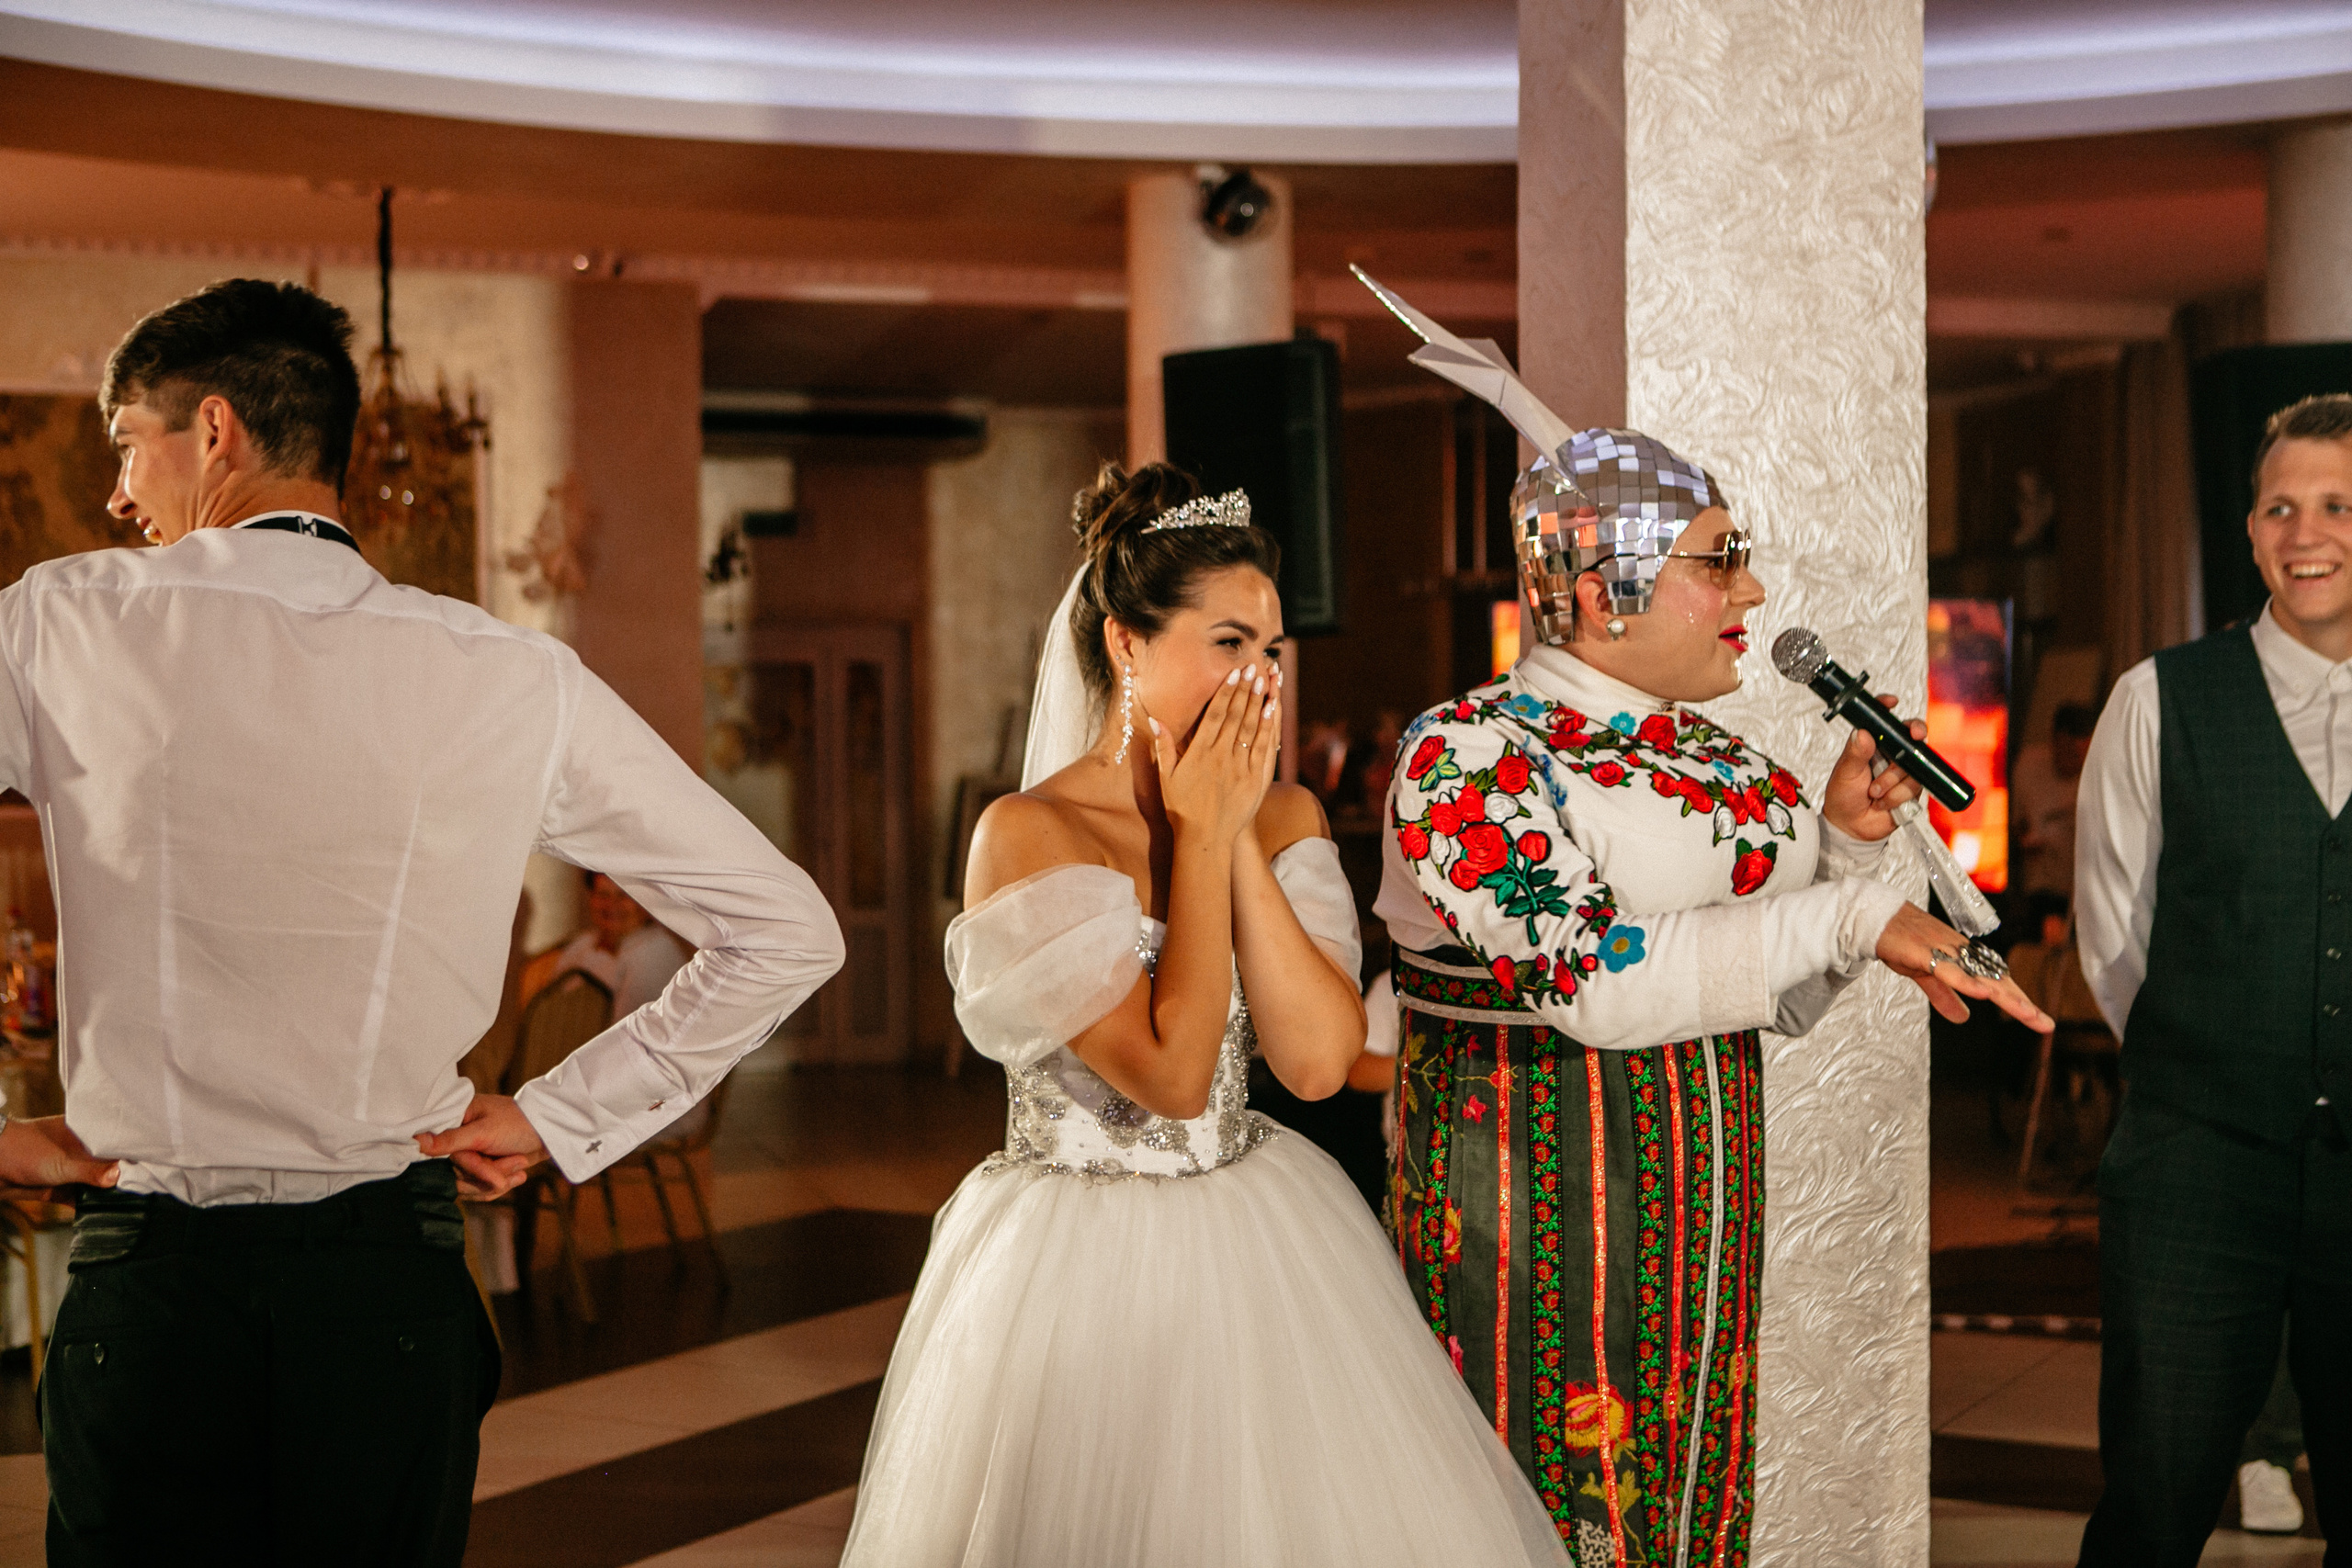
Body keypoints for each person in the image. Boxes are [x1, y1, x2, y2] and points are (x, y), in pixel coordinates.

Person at [9, 278, 842, 1566]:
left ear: (214, 430)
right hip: (381, 1283)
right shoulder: (507, 675)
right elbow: (786, 926)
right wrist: (560, 1114)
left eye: (128, 439)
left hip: (154, 1280)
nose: (120, 491)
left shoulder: (59, 622)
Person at [1355, 276, 2052, 1563]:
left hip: (1698, 1217)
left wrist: (1838, 839)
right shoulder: (1468, 754)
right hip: (1527, 1222)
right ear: (1604, 594)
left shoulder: (1718, 762)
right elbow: (1602, 981)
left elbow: (1771, 990)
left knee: (1688, 1505)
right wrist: (1853, 913)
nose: (1754, 586)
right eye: (1718, 559)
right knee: (1521, 1512)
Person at [839, 465, 1571, 1567]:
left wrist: (1224, 835)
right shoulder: (1028, 834)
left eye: (1271, 650)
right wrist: (1196, 829)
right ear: (1128, 643)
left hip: (1265, 1241)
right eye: (1228, 643)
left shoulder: (1280, 815)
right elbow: (1173, 1074)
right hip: (1072, 1267)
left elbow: (1320, 1061)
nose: (1261, 679)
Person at [2075, 391, 2352, 1567]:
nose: (2306, 533)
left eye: (2338, 504)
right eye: (2279, 507)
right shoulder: (2157, 699)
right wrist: (2219, 1066)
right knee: (2154, 1496)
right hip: (2196, 1167)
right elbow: (2111, 938)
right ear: (2246, 533)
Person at [2012, 700, 2096, 929]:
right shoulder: (2030, 766)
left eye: (2082, 751)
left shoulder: (2098, 777)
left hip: (2083, 891)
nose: (2075, 757)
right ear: (2056, 741)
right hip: (2040, 890)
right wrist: (2024, 839)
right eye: (2069, 750)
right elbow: (2017, 823)